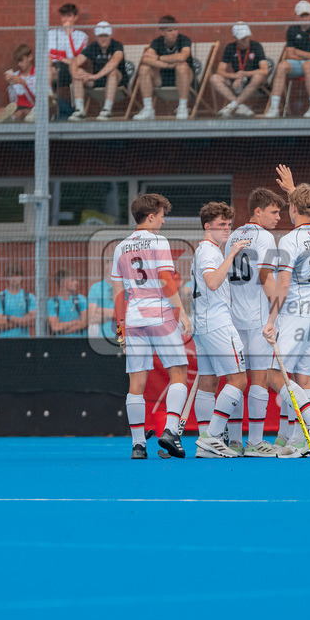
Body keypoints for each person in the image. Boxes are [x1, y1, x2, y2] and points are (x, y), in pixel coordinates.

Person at [110, 194, 192, 459]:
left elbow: (118, 290)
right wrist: (181, 312)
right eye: (161, 214)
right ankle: (170, 430)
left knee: (137, 381)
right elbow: (166, 279)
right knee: (178, 371)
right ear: (150, 216)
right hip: (159, 313)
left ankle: (137, 445)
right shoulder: (159, 241)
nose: (164, 219)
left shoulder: (120, 247)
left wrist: (121, 323)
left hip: (133, 316)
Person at [261, 175, 310, 458]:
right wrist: (296, 192)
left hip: (295, 314)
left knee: (273, 374)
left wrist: (271, 320)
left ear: (292, 207)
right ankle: (301, 440)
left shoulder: (289, 240)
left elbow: (282, 285)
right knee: (304, 378)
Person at [223, 188, 284, 455]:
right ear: (257, 211)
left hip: (236, 318)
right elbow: (266, 277)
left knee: (238, 379)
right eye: (274, 211)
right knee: (258, 379)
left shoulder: (233, 236)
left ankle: (235, 441)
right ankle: (256, 441)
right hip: (259, 318)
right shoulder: (266, 237)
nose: (278, 217)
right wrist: (277, 311)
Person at [188, 201, 249, 458]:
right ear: (207, 226)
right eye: (221, 225)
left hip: (203, 323)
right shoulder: (209, 252)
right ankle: (212, 437)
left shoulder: (206, 251)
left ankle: (206, 440)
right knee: (239, 379)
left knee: (209, 381)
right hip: (217, 323)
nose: (227, 230)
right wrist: (232, 254)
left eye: (228, 225)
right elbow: (212, 282)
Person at [265, 1, 310, 118]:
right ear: (296, 16)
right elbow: (290, 55)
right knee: (282, 66)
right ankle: (274, 107)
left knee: (308, 65)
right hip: (298, 64)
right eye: (301, 16)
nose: (305, 18)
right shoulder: (292, 30)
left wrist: (298, 52)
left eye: (307, 15)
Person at [133, 15, 195, 121]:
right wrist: (168, 64)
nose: (174, 33)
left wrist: (158, 57)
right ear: (162, 32)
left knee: (181, 66)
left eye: (175, 29)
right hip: (162, 78)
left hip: (184, 79)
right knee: (144, 68)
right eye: (170, 30)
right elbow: (145, 59)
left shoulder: (184, 39)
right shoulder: (157, 42)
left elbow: (182, 57)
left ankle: (182, 107)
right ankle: (148, 109)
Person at [69, 21, 128, 121]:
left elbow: (114, 62)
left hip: (118, 81)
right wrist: (74, 74)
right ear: (96, 37)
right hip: (97, 80)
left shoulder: (117, 45)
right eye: (101, 36)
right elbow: (75, 62)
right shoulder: (93, 47)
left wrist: (95, 76)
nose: (103, 38)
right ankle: (80, 111)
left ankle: (107, 110)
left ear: (110, 36)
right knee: (78, 72)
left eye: (106, 36)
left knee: (112, 72)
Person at [212, 22, 271, 118]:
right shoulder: (230, 47)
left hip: (252, 79)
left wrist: (245, 74)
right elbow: (220, 70)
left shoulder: (256, 46)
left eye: (247, 37)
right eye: (242, 38)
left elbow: (264, 70)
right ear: (235, 38)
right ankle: (240, 106)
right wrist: (234, 76)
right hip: (236, 79)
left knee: (258, 76)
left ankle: (233, 105)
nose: (245, 40)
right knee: (214, 78)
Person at [47, 3, 89, 119]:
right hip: (54, 70)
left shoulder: (82, 36)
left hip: (70, 68)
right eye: (63, 16)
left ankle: (80, 110)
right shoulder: (51, 33)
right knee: (46, 66)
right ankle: (49, 95)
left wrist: (69, 35)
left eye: (69, 16)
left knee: (77, 71)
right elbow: (49, 56)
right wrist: (63, 59)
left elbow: (75, 58)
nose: (65, 19)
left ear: (75, 18)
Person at [0, 265, 36, 338]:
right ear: (7, 278)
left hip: (24, 341)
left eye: (17, 275)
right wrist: (22, 321)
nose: (14, 278)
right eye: (11, 275)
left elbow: (32, 321)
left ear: (22, 277)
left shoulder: (29, 297)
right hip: (3, 340)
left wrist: (9, 318)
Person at [47, 270, 88, 337]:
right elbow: (55, 327)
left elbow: (84, 323)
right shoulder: (52, 302)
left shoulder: (80, 299)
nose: (76, 282)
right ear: (63, 283)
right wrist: (75, 322)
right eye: (72, 280)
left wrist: (63, 330)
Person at [87, 275, 118, 342]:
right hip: (101, 339)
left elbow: (128, 315)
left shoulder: (127, 288)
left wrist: (99, 310)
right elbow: (92, 318)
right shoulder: (96, 288)